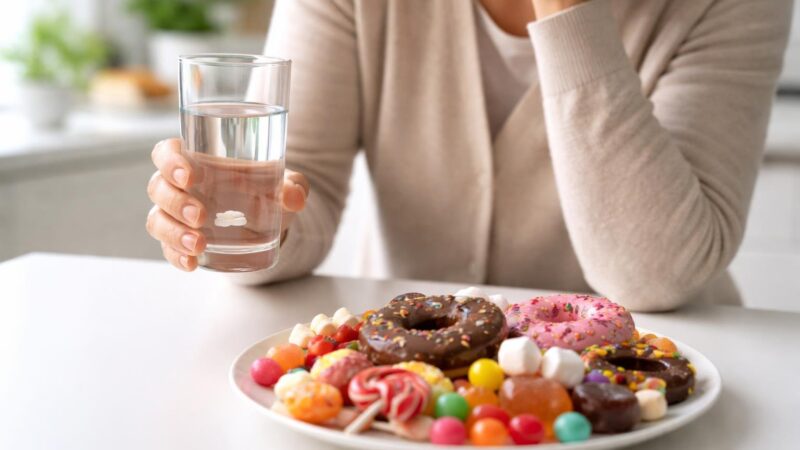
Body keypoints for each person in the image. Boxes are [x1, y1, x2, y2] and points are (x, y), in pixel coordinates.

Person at [146, 0, 792, 311]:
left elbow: (656, 275)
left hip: (657, 395)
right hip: (410, 388)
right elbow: (296, 195)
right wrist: (240, 221)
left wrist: (566, 11)